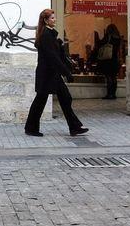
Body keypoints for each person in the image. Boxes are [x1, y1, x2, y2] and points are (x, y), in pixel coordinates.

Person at [25, 9, 89, 137]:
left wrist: (60, 46)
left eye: (54, 17)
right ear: (45, 20)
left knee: (65, 98)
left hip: (51, 74)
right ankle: (31, 128)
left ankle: (74, 127)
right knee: (40, 101)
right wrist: (66, 73)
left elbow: (56, 55)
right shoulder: (46, 35)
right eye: (52, 18)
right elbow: (53, 57)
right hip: (47, 74)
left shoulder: (49, 34)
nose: (55, 20)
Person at [98, 24, 122, 100]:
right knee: (114, 77)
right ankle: (114, 94)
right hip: (115, 59)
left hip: (108, 60)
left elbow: (100, 43)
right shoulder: (118, 38)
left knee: (108, 77)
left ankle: (109, 94)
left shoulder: (108, 37)